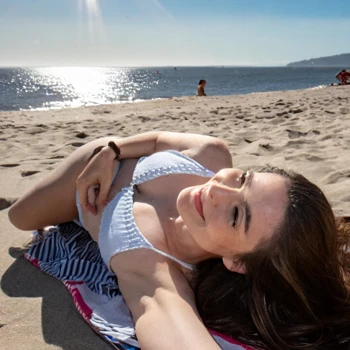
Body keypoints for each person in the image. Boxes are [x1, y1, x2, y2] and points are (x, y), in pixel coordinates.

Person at [8, 131, 350, 350]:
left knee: (18, 218)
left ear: (237, 262)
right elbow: (156, 141)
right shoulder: (213, 154)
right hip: (94, 155)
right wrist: (110, 151)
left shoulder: (157, 270)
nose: (217, 189)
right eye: (243, 179)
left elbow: (170, 326)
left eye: (235, 215)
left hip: (75, 203)